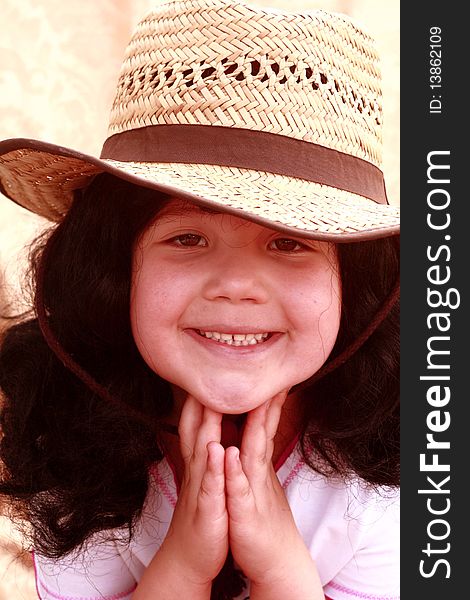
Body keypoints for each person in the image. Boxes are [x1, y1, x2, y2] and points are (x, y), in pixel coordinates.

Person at [0, 1, 400, 599]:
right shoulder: (64, 439)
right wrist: (183, 565)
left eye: (290, 242)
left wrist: (280, 572)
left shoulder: (393, 473)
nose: (236, 284)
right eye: (187, 237)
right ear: (114, 269)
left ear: (356, 284)